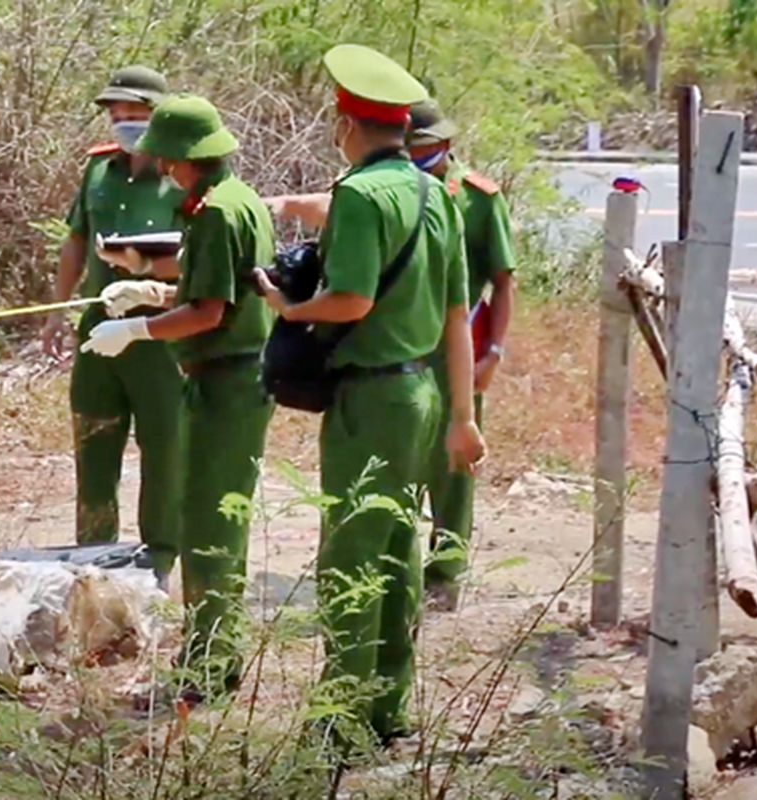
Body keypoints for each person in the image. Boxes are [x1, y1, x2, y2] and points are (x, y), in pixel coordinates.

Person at [253, 45, 485, 743]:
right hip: (420, 395)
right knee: (394, 551)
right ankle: (389, 707)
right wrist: (464, 417)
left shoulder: (359, 195)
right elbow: (455, 317)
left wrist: (288, 309)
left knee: (351, 553)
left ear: (346, 122)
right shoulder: (435, 195)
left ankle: (340, 717)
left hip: (371, 398)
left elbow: (349, 300)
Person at [81, 94, 276, 697]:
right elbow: (212, 290)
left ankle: (209, 667)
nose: (162, 168)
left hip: (228, 379)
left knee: (209, 525)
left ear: (184, 158)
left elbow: (210, 311)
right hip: (234, 375)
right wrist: (147, 294)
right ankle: (216, 656)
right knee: (214, 520)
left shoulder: (217, 212)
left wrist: (136, 329)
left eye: (167, 157)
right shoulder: (239, 200)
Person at [42, 66, 185, 591]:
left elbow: (205, 256)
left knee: (165, 449)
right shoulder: (99, 172)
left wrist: (149, 277)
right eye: (116, 115)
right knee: (95, 443)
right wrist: (55, 312)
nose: (125, 124)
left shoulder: (185, 176)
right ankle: (94, 557)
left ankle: (160, 560)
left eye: (136, 115)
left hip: (163, 330)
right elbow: (76, 241)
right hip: (99, 329)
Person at [407, 99, 517, 611]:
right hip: (402, 346)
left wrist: (494, 350)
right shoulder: (395, 189)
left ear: (444, 145)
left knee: (455, 469)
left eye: (423, 147)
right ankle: (397, 568)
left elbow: (503, 279)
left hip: (460, 347)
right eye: (408, 147)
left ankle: (445, 572)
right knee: (402, 459)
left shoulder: (477, 198)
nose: (416, 155)